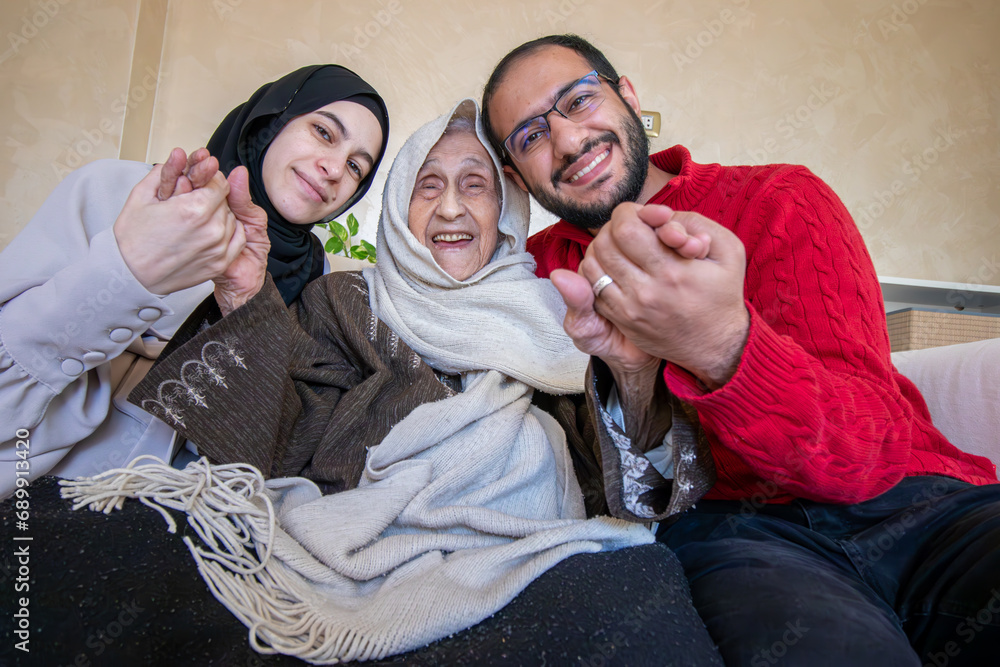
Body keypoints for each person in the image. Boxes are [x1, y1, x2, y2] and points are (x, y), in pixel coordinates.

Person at [54, 99, 725, 665]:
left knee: (647, 595)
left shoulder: (563, 314)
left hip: (529, 557)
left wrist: (634, 374)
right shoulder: (345, 300)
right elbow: (272, 448)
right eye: (428, 184)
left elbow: (633, 492)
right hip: (350, 545)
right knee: (88, 546)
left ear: (507, 211)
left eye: (475, 183)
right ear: (401, 208)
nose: (452, 206)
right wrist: (243, 298)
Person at [480, 34, 1000, 666]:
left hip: (919, 503)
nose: (566, 141)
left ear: (628, 97)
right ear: (515, 177)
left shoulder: (781, 200)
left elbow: (869, 451)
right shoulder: (533, 275)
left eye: (579, 100)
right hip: (735, 534)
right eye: (531, 136)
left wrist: (723, 346)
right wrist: (634, 373)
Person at [0, 65, 389, 498]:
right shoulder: (117, 192)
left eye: (356, 166)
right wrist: (128, 271)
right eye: (323, 132)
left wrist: (248, 307)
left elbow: (268, 451)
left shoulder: (319, 282)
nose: (335, 168)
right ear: (271, 121)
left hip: (183, 520)